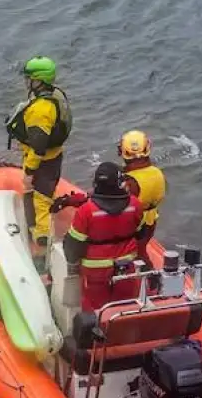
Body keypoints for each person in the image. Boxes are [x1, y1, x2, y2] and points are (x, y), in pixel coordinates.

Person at [5, 55, 73, 270]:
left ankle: (42, 252)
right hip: (54, 157)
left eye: (29, 78)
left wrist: (30, 170)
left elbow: (38, 146)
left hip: (43, 163)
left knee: (41, 203)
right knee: (38, 197)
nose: (26, 82)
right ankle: (35, 228)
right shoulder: (56, 95)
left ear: (39, 80)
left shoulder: (41, 110)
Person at [61, 162, 146, 312]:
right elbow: (141, 234)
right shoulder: (135, 205)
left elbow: (72, 246)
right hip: (126, 267)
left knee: (94, 309)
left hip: (95, 272)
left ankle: (96, 333)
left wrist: (73, 267)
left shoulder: (86, 211)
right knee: (124, 308)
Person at [117, 130, 166, 288]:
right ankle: (152, 281)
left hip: (136, 222)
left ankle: (147, 282)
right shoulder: (157, 173)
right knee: (141, 250)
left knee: (135, 253)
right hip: (152, 218)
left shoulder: (129, 182)